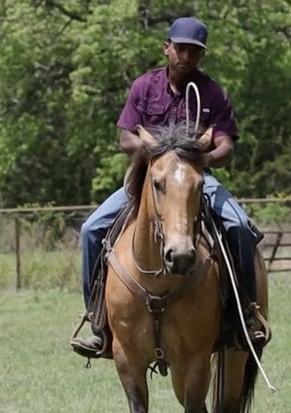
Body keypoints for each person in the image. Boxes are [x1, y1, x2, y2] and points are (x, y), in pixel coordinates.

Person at [71, 16, 266, 360]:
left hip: (195, 178)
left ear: (201, 55)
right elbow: (126, 137)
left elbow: (225, 146)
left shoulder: (213, 93)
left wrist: (204, 158)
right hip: (150, 179)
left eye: (194, 51)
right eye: (180, 49)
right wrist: (157, 153)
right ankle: (98, 321)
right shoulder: (144, 87)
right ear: (167, 48)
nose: (186, 56)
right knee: (91, 229)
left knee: (239, 227)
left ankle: (245, 317)